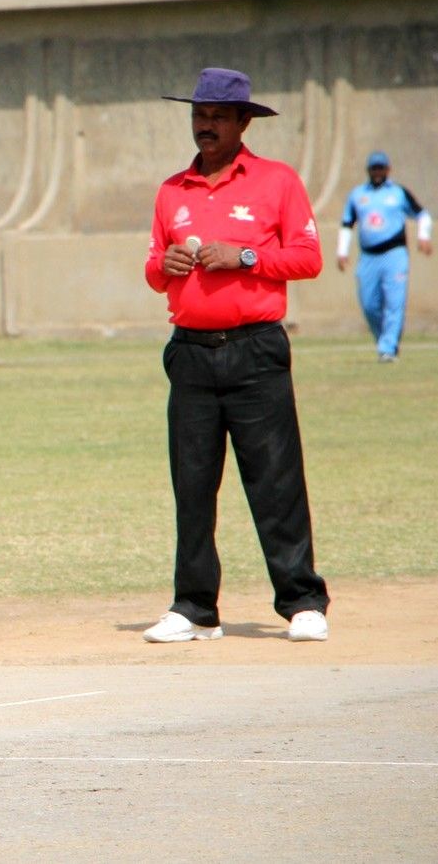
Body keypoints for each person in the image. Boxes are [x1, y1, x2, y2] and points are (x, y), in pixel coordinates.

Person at [143, 67, 330, 644]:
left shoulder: (277, 181)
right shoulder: (172, 190)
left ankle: (302, 601)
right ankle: (195, 608)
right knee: (193, 486)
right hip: (191, 354)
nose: (206, 126)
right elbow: (153, 268)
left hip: (256, 350)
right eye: (199, 115)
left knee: (275, 481)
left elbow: (308, 258)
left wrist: (245, 258)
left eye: (218, 117)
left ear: (244, 122)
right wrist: (165, 265)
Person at [336, 151, 432, 362]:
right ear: (368, 170)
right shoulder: (357, 195)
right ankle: (385, 341)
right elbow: (347, 224)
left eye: (381, 168)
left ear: (388, 169)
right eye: (374, 168)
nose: (377, 172)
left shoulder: (398, 193)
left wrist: (424, 236)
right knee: (369, 304)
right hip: (368, 256)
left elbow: (422, 215)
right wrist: (342, 251)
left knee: (394, 303)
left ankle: (387, 348)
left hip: (394, 255)